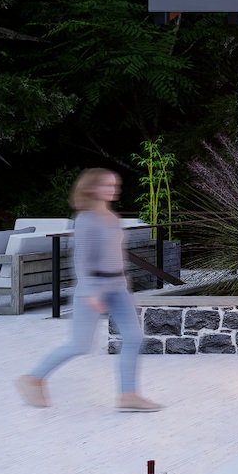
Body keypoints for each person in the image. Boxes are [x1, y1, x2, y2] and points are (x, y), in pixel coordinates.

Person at [16, 168, 163, 411]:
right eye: (107, 184)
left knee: (134, 337)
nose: (112, 189)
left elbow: (117, 253)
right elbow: (81, 260)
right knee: (79, 344)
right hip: (93, 287)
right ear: (92, 187)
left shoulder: (112, 218)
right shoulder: (85, 220)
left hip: (118, 287)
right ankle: (32, 379)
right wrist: (93, 292)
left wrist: (125, 281)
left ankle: (128, 395)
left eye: (114, 184)